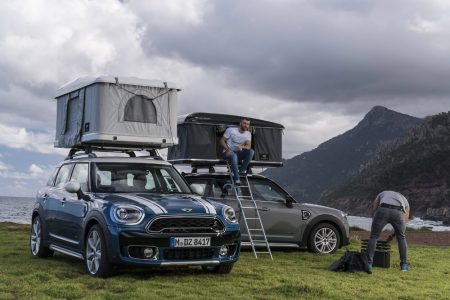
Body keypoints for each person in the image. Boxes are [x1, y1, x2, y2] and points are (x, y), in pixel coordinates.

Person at [366, 191, 410, 271]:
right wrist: (392, 236)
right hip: (398, 211)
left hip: (383, 209)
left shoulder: (382, 193)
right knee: (401, 238)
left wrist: (376, 227)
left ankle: (368, 264)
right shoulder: (405, 201)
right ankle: (404, 266)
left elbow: (375, 209)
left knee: (374, 236)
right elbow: (404, 223)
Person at [220, 118, 254, 185]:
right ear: (240, 123)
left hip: (238, 153)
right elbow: (221, 141)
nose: (246, 125)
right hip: (227, 152)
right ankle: (237, 179)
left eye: (247, 124)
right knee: (233, 154)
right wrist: (228, 149)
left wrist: (242, 147)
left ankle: (240, 172)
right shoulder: (231, 130)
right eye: (244, 123)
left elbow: (248, 146)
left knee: (251, 151)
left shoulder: (248, 133)